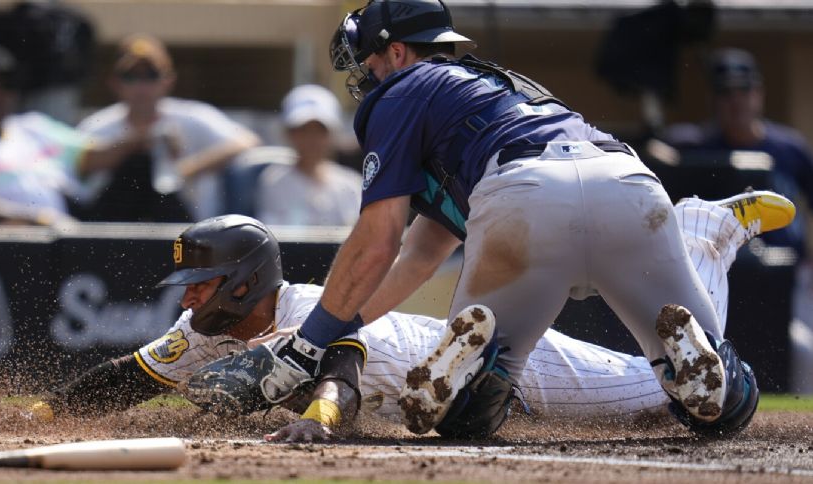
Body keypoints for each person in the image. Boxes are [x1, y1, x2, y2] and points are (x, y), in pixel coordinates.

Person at [271, 0, 778, 438]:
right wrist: (348, 327)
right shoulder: (494, 90)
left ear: (397, 52)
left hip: (523, 199)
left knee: (467, 416)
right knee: (720, 410)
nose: (369, 76)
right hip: (626, 183)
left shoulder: (402, 91)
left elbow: (379, 242)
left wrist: (310, 342)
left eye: (371, 62)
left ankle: (483, 369)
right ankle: (699, 318)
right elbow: (421, 254)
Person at [28, 191, 792, 442]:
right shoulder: (202, 333)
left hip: (500, 366)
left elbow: (343, 373)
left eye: (204, 284)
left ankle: (703, 233)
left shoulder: (308, 311)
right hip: (445, 392)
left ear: (244, 284)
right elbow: (126, 377)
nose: (189, 297)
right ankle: (700, 242)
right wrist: (45, 410)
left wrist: (320, 421)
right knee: (677, 388)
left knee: (676, 395)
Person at [659, 48, 813, 394]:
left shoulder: (789, 148)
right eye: (725, 92)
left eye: (743, 90)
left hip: (792, 278)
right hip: (723, 275)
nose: (736, 101)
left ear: (759, 93)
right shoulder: (696, 148)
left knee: (805, 351)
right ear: (713, 99)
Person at [0, 45, 147, 227]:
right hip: (14, 237)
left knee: (139, 164)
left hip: (71, 222)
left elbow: (93, 156)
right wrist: (34, 219)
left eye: (7, 85)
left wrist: (145, 138)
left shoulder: (32, 126)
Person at [77, 34, 260, 222]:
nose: (141, 86)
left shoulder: (193, 115)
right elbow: (72, 170)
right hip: (116, 229)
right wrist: (133, 146)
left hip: (187, 230)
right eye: (130, 77)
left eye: (151, 76)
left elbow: (247, 140)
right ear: (115, 83)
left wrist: (183, 168)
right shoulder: (96, 126)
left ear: (168, 80)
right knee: (138, 164)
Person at [251, 84, 362, 226]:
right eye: (303, 130)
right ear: (288, 133)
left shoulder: (352, 184)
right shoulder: (272, 182)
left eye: (320, 130)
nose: (312, 139)